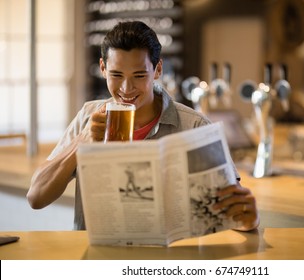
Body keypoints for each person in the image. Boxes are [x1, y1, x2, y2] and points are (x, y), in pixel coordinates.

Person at [27, 21, 259, 231]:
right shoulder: (88, 116)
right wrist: (81, 142)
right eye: (116, 75)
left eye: (139, 76)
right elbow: (36, 197)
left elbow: (234, 212)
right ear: (103, 68)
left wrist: (249, 219)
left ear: (157, 69)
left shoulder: (194, 126)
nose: (126, 89)